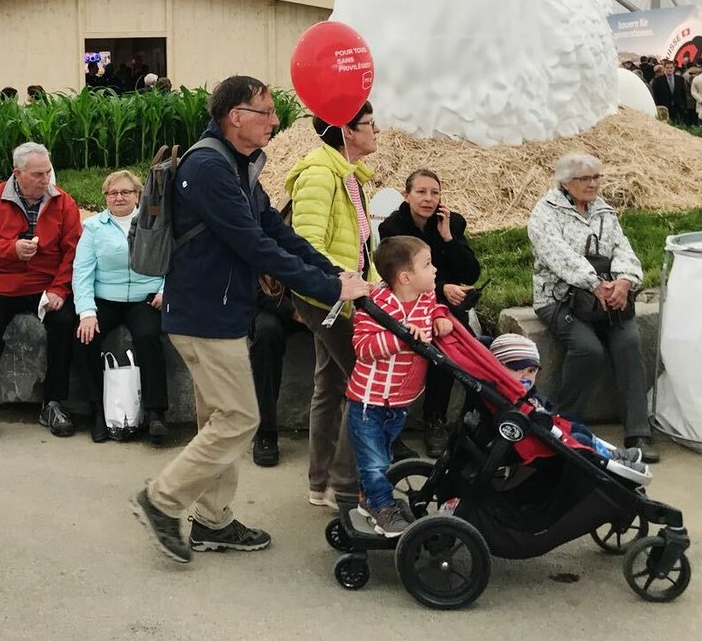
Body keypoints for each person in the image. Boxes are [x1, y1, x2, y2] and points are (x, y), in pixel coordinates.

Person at [131, 76, 369, 564]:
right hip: (203, 315)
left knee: (216, 420)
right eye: (265, 111)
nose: (275, 120)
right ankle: (162, 500)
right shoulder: (208, 167)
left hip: (216, 311)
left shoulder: (236, 165)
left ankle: (213, 520)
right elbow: (253, 245)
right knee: (240, 417)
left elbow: (275, 230)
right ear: (235, 115)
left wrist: (332, 270)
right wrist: (327, 289)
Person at [527, 153, 657, 462]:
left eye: (597, 177)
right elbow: (558, 257)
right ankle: (566, 426)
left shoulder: (604, 211)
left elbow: (623, 249)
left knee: (629, 341)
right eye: (585, 178)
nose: (593, 184)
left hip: (607, 300)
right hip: (560, 298)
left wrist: (624, 282)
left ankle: (638, 431)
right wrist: (595, 284)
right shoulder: (544, 214)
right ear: (565, 182)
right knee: (588, 349)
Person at [280, 105, 378, 505]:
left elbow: (357, 248)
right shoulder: (321, 175)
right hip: (328, 297)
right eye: (371, 124)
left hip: (342, 297)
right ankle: (345, 484)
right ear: (347, 131)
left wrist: (369, 285)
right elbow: (308, 246)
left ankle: (320, 483)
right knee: (368, 384)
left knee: (330, 385)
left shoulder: (347, 174)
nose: (377, 130)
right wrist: (350, 284)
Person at [0, 142, 81, 447]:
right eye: (38, 174)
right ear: (18, 173)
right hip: (0, 283)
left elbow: (74, 250)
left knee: (66, 322)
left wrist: (58, 288)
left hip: (45, 283)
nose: (45, 179)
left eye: (47, 172)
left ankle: (53, 403)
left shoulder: (63, 202)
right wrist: (10, 249)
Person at [347, 236, 452, 538]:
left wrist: (442, 319)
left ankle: (369, 499)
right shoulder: (374, 306)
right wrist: (403, 337)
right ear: (406, 277)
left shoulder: (426, 298)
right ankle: (381, 508)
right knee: (374, 461)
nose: (434, 270)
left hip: (400, 401)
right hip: (368, 401)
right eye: (427, 264)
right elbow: (363, 347)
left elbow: (435, 311)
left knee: (384, 457)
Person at [377, 168, 481, 456]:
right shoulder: (392, 228)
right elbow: (397, 278)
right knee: (410, 348)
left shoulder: (451, 222)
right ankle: (389, 426)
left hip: (446, 306)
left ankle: (437, 419)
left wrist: (449, 239)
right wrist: (443, 288)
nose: (428, 199)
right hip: (406, 303)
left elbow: (471, 272)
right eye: (421, 192)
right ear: (406, 195)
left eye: (434, 192)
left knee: (457, 349)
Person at [72, 170, 168, 445]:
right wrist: (87, 312)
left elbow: (172, 260)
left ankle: (155, 413)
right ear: (105, 197)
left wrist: (165, 290)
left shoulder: (154, 222)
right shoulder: (94, 227)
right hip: (107, 298)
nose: (119, 197)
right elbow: (82, 272)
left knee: (149, 336)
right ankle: (97, 412)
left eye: (126, 192)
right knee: (85, 338)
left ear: (138, 195)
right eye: (112, 193)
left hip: (145, 297)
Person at [488, 334, 647, 469]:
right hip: (532, 441)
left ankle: (608, 454)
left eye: (531, 371)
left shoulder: (523, 393)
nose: (525, 376)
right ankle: (609, 461)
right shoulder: (504, 396)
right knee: (580, 440)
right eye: (516, 369)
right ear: (498, 368)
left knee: (579, 429)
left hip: (547, 429)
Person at [649, 60, 692, 125]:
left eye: (671, 68)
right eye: (668, 68)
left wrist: (684, 106)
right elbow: (656, 94)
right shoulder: (658, 80)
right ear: (664, 68)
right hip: (664, 107)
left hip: (678, 107)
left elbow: (683, 93)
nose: (669, 69)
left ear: (674, 68)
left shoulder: (680, 79)